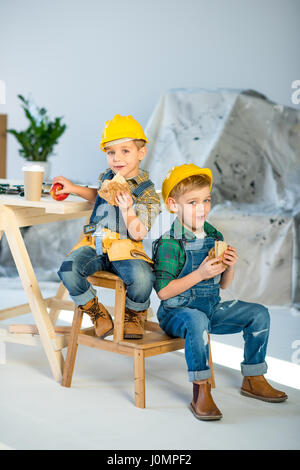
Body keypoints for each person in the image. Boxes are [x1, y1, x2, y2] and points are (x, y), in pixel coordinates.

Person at [152, 163, 287, 421]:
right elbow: (164, 293)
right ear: (173, 205)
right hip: (177, 313)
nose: (201, 208)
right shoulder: (170, 243)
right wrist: (200, 274)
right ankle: (201, 390)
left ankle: (254, 377)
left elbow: (224, 285)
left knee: (258, 314)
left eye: (206, 200)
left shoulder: (214, 235)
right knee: (196, 320)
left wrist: (229, 266)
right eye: (192, 202)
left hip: (211, 307)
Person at [54, 115, 161, 340]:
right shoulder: (108, 177)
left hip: (126, 248)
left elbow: (139, 232)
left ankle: (134, 313)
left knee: (143, 280)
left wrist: (128, 210)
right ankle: (95, 311)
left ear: (141, 153)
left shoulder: (147, 192)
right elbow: (99, 196)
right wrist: (74, 188)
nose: (116, 158)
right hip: (96, 244)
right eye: (111, 152)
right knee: (67, 269)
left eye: (125, 151)